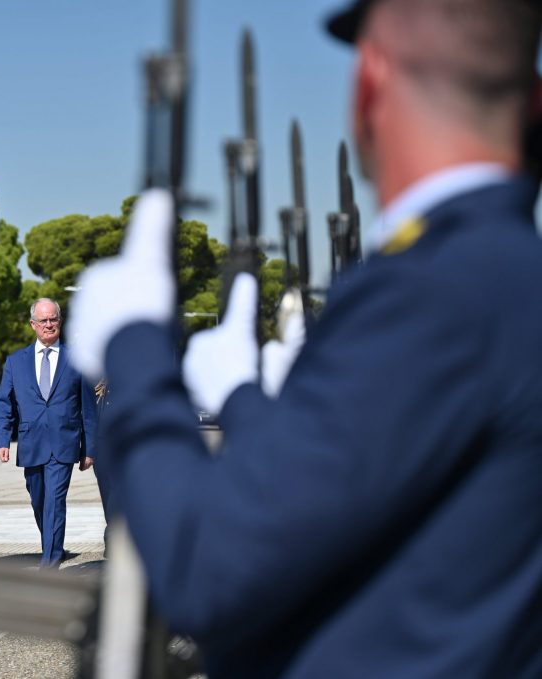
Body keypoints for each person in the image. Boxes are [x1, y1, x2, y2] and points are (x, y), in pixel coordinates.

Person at [68, 0, 542, 676]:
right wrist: (244, 400)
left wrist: (135, 346)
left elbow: (206, 564)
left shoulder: (434, 288)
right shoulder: (509, 272)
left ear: (371, 77)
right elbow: (347, 488)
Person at [0, 298, 97, 567]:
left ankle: (49, 563)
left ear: (60, 322)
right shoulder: (16, 362)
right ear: (33, 324)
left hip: (64, 443)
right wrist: (2, 439)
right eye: (43, 320)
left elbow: (88, 407)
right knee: (39, 501)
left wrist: (89, 448)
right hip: (31, 442)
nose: (49, 324)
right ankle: (54, 546)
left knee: (54, 502)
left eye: (53, 319)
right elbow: (4, 403)